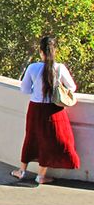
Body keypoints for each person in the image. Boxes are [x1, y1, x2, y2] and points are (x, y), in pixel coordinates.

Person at [12, 35, 80, 184]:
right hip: (54, 110)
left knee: (31, 138)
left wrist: (36, 89)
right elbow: (72, 87)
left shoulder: (33, 67)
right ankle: (41, 176)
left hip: (35, 109)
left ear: (40, 51)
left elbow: (24, 89)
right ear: (54, 50)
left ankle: (21, 171)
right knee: (49, 140)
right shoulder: (59, 68)